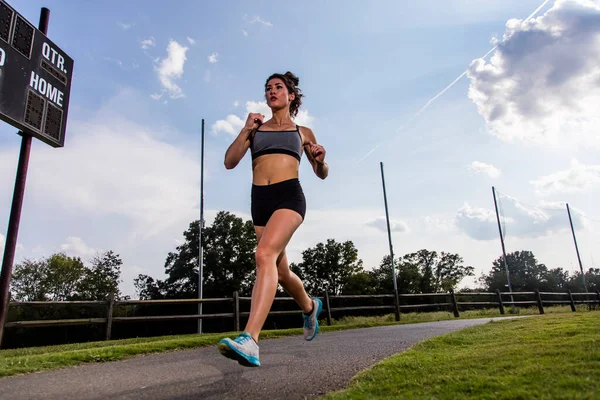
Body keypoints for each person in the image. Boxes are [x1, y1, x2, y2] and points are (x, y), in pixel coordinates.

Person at [218, 71, 329, 367]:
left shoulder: (303, 132)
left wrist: (319, 160)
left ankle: (250, 339)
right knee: (279, 272)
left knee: (263, 254)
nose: (272, 91)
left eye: (278, 87)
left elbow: (321, 172)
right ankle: (309, 306)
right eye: (268, 88)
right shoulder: (255, 129)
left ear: (291, 96)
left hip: (289, 197)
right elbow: (229, 162)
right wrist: (245, 130)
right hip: (260, 201)